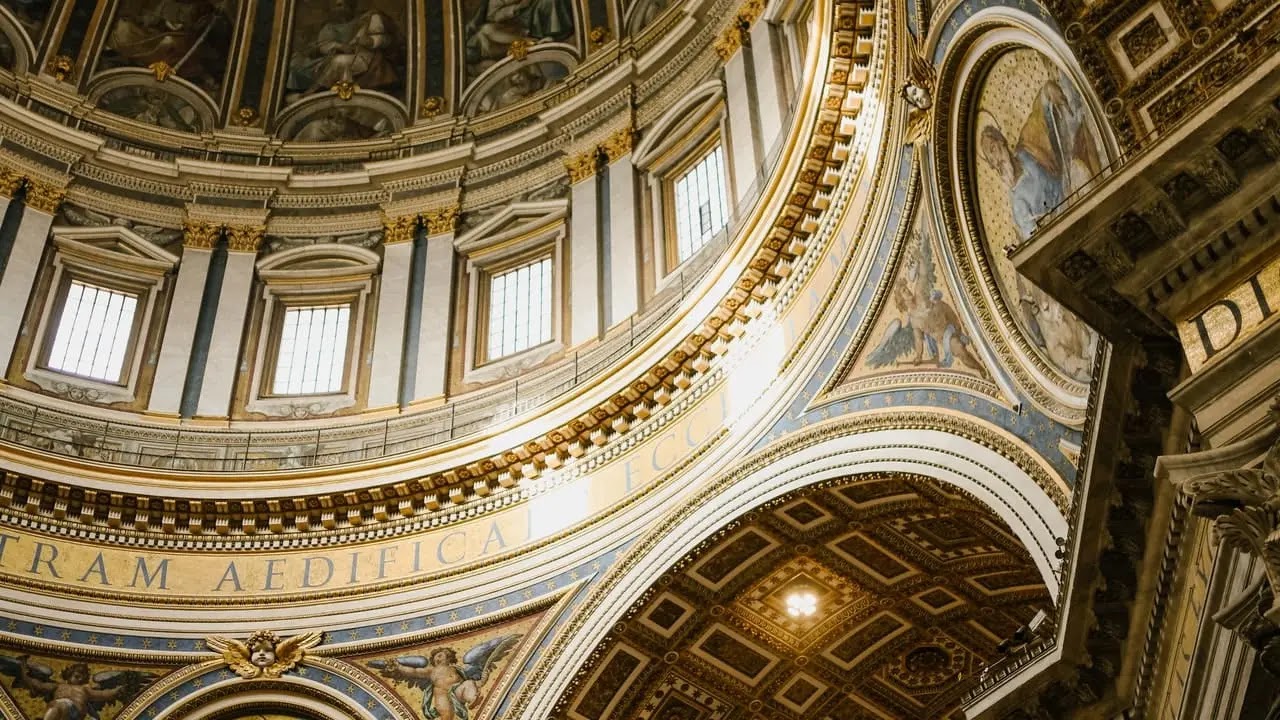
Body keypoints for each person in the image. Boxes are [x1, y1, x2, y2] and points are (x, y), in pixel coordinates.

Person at [286, 0, 398, 100]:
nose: (341, 9)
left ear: (351, 5)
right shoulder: (329, 27)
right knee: (298, 63)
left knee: (338, 61)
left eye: (344, 5)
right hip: (334, 57)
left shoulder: (370, 17)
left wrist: (370, 41)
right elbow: (323, 45)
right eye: (338, 5)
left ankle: (314, 91)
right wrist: (340, 46)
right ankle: (308, 90)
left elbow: (385, 39)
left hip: (364, 57)